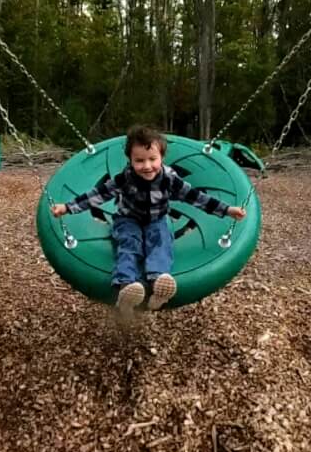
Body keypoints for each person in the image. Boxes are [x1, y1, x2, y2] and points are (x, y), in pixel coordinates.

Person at [49, 124, 246, 320]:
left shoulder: (169, 178)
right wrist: (67, 208)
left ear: (162, 157)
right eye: (139, 161)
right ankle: (126, 288)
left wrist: (227, 210)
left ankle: (159, 283)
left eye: (153, 159)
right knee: (129, 243)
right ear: (130, 160)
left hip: (156, 219)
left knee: (161, 240)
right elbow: (98, 195)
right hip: (127, 219)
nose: (147, 166)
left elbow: (196, 197)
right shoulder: (125, 178)